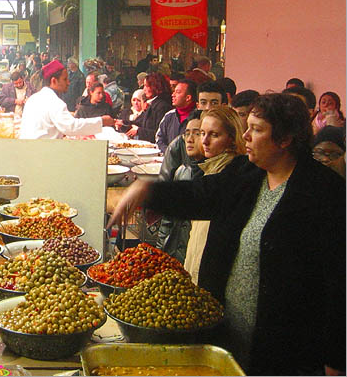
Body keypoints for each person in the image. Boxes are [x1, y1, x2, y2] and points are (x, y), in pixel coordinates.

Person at [109, 94, 345, 375]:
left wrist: (335, 359)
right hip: (228, 332)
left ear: (285, 139)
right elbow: (202, 195)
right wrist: (147, 190)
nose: (245, 135)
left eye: (257, 130)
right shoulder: (248, 173)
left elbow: (337, 281)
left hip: (285, 347)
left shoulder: (325, 192)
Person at [184, 106, 246, 284]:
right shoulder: (208, 169)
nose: (204, 140)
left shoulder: (229, 175)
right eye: (202, 133)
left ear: (232, 139)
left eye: (214, 135)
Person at [19, 60, 117, 139]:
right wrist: (101, 121)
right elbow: (71, 127)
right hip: (44, 154)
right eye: (65, 79)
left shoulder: (33, 99)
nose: (68, 83)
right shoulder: (54, 102)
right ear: (54, 81)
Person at [156, 110, 205, 263]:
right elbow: (168, 218)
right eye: (187, 133)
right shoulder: (182, 171)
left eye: (197, 134)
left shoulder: (217, 177)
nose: (190, 139)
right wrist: (160, 250)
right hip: (176, 255)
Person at [121, 72, 172, 143]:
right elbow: (139, 122)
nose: (144, 89)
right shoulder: (151, 104)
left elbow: (160, 133)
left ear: (156, 86)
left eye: (146, 86)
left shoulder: (162, 107)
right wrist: (122, 123)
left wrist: (139, 131)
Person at [155, 79, 198, 153]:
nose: (173, 95)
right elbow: (159, 138)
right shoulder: (169, 116)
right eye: (174, 91)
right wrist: (169, 153)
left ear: (188, 97)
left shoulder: (198, 117)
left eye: (177, 92)